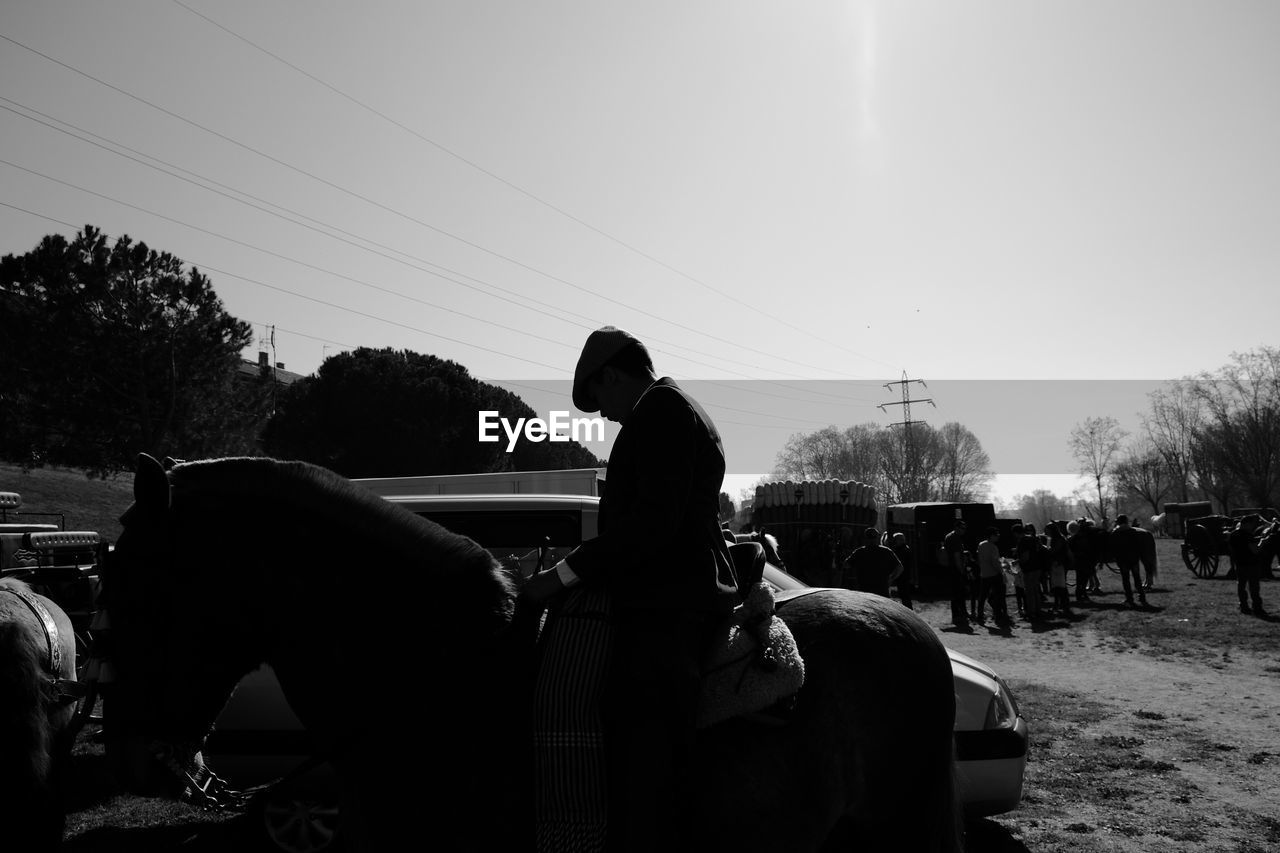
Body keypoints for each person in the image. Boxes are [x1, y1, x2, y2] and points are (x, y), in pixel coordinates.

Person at [522, 326, 740, 851]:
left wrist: (562, 576)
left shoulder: (659, 411)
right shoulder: (677, 405)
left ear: (613, 375)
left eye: (599, 401)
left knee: (641, 749)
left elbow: (649, 526)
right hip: (679, 586)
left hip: (668, 602)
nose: (603, 416)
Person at [841, 527, 903, 598]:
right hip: (882, 591)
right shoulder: (886, 551)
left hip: (864, 591)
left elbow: (846, 564)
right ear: (878, 537)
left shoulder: (859, 552)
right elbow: (900, 567)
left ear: (865, 538)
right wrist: (891, 579)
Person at [1228, 514, 1269, 616]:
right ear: (1247, 524)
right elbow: (1255, 550)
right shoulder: (1247, 535)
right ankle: (1257, 608)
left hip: (1239, 563)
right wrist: (1262, 542)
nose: (1252, 527)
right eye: (1251, 525)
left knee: (1241, 586)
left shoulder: (1233, 535)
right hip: (1251, 564)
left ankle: (1244, 606)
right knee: (1254, 587)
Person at [1109, 514, 1147, 608]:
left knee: (1126, 579)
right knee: (1137, 578)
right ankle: (1142, 597)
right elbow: (1138, 545)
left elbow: (1113, 547)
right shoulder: (1133, 531)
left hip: (1123, 559)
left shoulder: (1115, 533)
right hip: (1134, 558)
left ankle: (1129, 599)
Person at [976, 526, 1009, 626]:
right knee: (998, 596)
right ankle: (998, 616)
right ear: (991, 536)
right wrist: (1001, 572)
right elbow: (994, 562)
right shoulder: (993, 547)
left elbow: (979, 558)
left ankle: (980, 615)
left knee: (982, 596)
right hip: (994, 575)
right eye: (996, 535)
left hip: (984, 574)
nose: (998, 536)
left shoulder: (981, 545)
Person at [943, 519, 971, 630]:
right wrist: (961, 570)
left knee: (956, 594)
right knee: (960, 593)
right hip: (956, 569)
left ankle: (957, 616)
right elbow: (956, 556)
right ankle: (961, 616)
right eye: (962, 528)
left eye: (965, 528)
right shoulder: (955, 538)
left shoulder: (949, 536)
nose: (964, 530)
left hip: (951, 569)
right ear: (956, 528)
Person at [1015, 523, 1045, 621]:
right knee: (1036, 590)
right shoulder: (1033, 538)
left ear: (1016, 533)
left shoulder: (1023, 541)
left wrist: (1019, 562)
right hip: (1038, 567)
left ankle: (1031, 612)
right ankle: (1038, 610)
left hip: (1029, 568)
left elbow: (1025, 556)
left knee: (1029, 591)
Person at [1045, 521, 1073, 617]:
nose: (1046, 532)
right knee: (1058, 586)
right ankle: (1060, 605)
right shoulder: (1056, 539)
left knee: (1060, 586)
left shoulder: (1058, 539)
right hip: (1057, 564)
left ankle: (1062, 605)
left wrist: (1045, 549)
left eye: (1047, 530)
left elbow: (1054, 551)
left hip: (1059, 565)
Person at [888, 532, 916, 610]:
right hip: (903, 575)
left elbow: (899, 564)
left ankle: (909, 612)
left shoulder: (903, 550)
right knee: (904, 595)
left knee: (905, 596)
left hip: (903, 576)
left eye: (895, 540)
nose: (894, 541)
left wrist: (893, 575)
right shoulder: (903, 549)